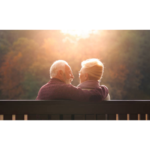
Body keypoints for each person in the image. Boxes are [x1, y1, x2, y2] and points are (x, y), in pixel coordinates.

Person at [36, 60, 109, 101]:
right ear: (60, 73)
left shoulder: (42, 90)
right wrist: (104, 89)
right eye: (69, 72)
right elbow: (94, 96)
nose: (73, 76)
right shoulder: (65, 89)